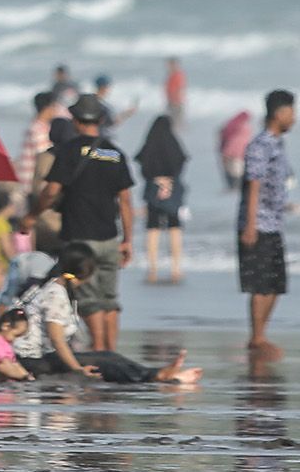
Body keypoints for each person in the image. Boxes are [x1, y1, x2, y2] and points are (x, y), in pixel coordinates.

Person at [16, 244, 202, 384]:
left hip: (39, 356)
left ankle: (154, 373)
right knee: (103, 363)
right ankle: (156, 377)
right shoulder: (55, 294)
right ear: (86, 272)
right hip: (31, 360)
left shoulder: (57, 287)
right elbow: (57, 339)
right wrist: (77, 369)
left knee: (107, 355)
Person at [41, 96, 135, 352]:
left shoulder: (69, 151)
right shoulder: (115, 154)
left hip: (81, 237)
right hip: (110, 239)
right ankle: (110, 351)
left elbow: (51, 190)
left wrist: (33, 213)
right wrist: (127, 240)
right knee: (110, 300)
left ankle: (100, 350)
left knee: (89, 300)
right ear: (101, 120)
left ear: (75, 120)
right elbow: (126, 201)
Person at [136, 112, 188, 284]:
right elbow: (181, 161)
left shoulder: (149, 144)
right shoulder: (173, 144)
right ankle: (176, 268)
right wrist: (169, 181)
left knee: (153, 228)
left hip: (153, 189)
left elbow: (143, 166)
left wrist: (157, 180)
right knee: (174, 227)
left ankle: (152, 268)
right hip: (173, 189)